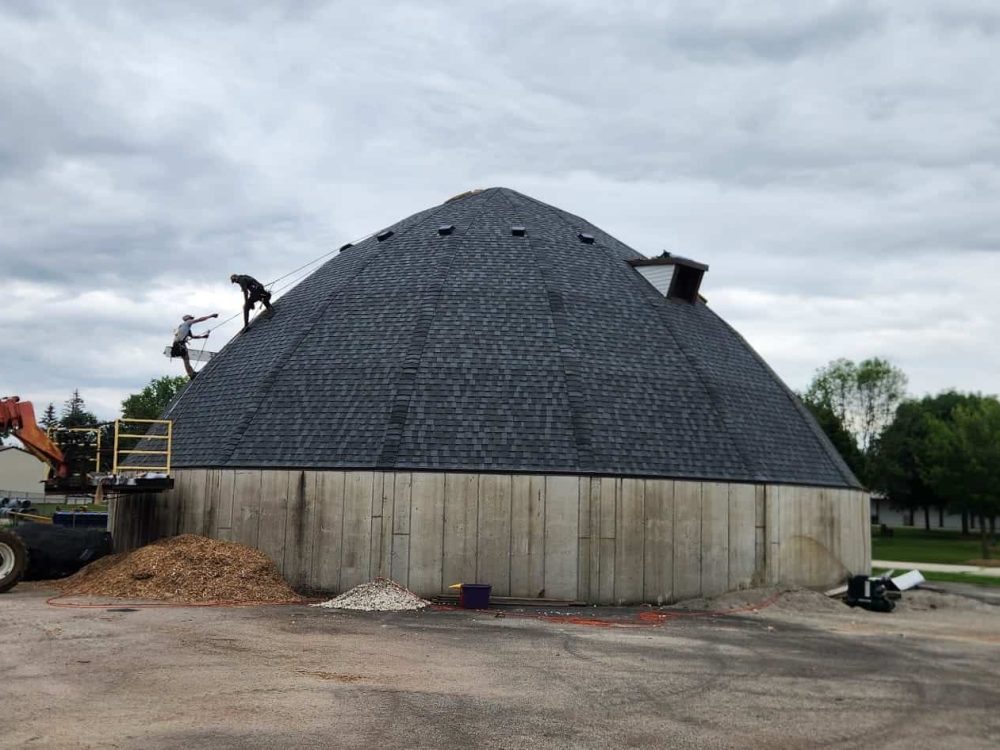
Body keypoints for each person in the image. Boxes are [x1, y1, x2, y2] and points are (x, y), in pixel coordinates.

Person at [170, 313, 217, 378]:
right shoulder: (187, 322)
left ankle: (191, 373)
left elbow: (193, 336)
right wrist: (211, 316)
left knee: (186, 359)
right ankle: (191, 374)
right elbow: (200, 319)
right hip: (179, 344)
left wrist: (203, 337)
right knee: (186, 359)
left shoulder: (183, 326)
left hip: (177, 344)